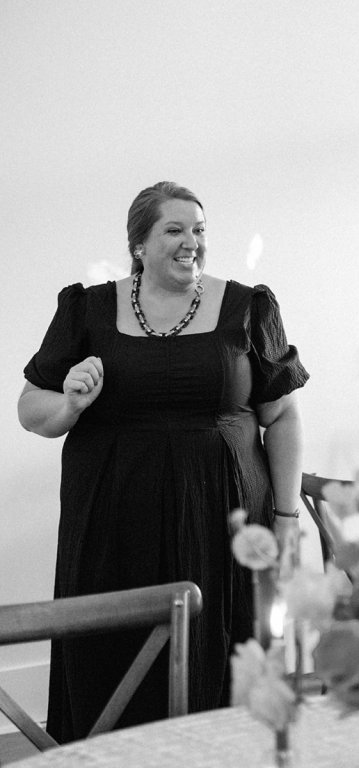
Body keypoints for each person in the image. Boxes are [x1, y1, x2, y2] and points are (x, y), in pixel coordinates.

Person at [18, 181, 309, 742]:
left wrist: (287, 517)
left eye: (199, 229)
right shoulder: (86, 309)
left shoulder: (248, 307)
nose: (191, 242)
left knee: (222, 650)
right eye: (174, 230)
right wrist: (70, 403)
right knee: (113, 653)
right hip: (112, 522)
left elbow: (283, 417)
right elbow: (32, 411)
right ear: (139, 244)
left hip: (224, 519)